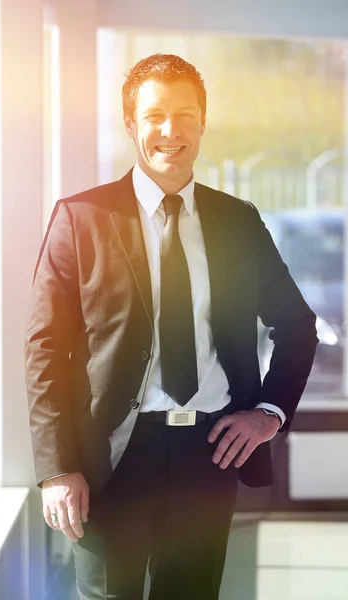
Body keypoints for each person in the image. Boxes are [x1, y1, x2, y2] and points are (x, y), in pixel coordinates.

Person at [25, 54, 318, 600]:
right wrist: (58, 469)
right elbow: (45, 347)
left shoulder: (238, 219)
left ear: (203, 123)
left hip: (208, 453)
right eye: (155, 114)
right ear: (131, 124)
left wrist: (268, 414)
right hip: (108, 460)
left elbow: (298, 325)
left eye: (185, 114)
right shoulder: (80, 218)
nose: (170, 130)